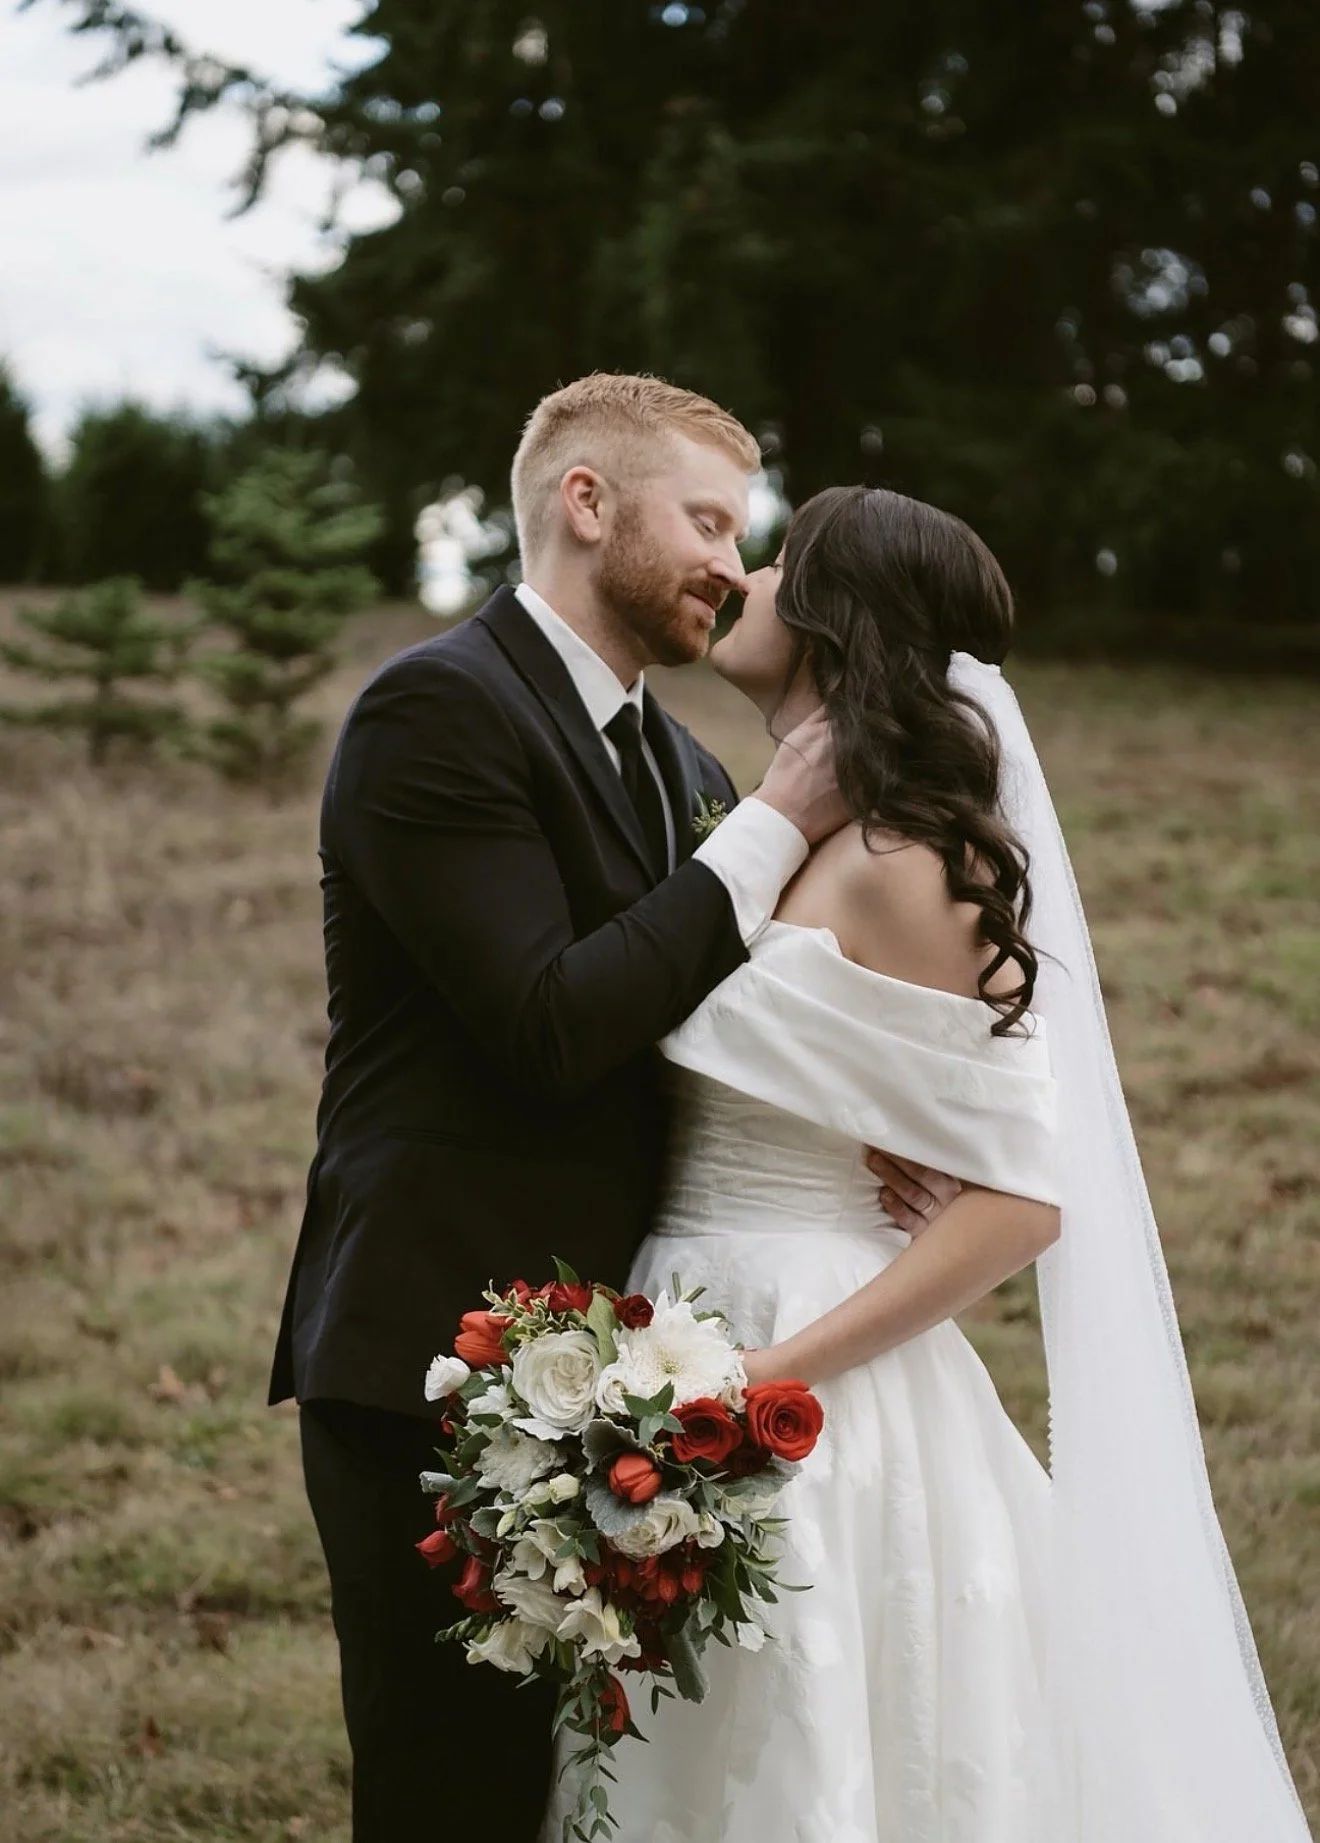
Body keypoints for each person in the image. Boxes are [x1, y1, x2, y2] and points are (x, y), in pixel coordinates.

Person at [543, 487, 1310, 1842]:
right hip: (687, 1299)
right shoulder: (787, 828)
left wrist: (766, 1377)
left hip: (801, 1357)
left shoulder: (912, 863)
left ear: (843, 617)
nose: (753, 573)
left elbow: (1023, 1199)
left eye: (783, 557)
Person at [268, 375, 926, 1841]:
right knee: (449, 1795)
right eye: (705, 518)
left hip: (616, 1379)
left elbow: (701, 1012)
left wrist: (868, 1126)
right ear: (586, 503)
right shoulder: (436, 709)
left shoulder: (679, 762)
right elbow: (554, 1023)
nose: (728, 563)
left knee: (563, 1795)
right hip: (430, 1359)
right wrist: (777, 818)